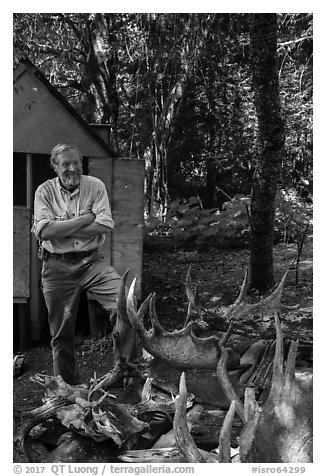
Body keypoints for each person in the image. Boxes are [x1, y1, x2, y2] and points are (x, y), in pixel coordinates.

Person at [32, 143, 121, 385]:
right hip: (56, 266)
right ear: (55, 167)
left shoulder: (95, 186)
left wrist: (62, 230)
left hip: (91, 262)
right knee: (61, 333)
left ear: (81, 164)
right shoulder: (44, 192)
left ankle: (127, 373)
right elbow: (44, 232)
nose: (72, 169)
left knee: (123, 305)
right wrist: (87, 218)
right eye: (65, 164)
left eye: (76, 163)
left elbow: (105, 225)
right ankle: (67, 388)